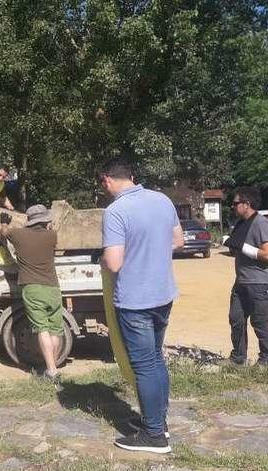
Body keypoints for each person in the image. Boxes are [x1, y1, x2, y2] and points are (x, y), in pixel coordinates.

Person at [100, 156, 183, 454]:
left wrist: (107, 260)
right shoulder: (162, 200)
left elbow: (114, 261)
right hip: (163, 294)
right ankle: (158, 423)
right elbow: (178, 241)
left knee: (145, 365)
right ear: (132, 176)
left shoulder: (115, 211)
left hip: (135, 300)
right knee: (156, 360)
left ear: (107, 179)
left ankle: (153, 436)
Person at [0, 204, 63, 383]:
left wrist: (4, 222)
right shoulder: (52, 236)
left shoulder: (18, 235)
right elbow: (50, 231)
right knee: (55, 330)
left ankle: (51, 371)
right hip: (53, 288)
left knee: (42, 329)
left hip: (32, 288)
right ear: (45, 220)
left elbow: (4, 233)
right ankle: (53, 366)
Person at [223, 187, 268, 367]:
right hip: (242, 281)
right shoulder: (241, 224)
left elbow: (267, 254)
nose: (233, 206)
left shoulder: (262, 224)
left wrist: (242, 247)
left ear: (247, 204)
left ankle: (267, 361)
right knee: (236, 319)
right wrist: (233, 246)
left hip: (260, 282)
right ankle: (238, 359)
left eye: (236, 203)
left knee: (260, 322)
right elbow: (238, 248)